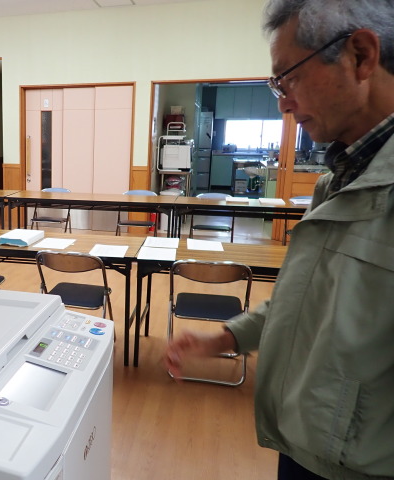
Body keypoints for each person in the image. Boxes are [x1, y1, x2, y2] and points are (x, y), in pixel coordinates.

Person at [164, 1, 394, 479]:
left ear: (361, 55)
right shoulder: (337, 181)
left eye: (288, 78)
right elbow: (303, 299)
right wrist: (225, 337)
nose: (283, 103)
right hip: (301, 442)